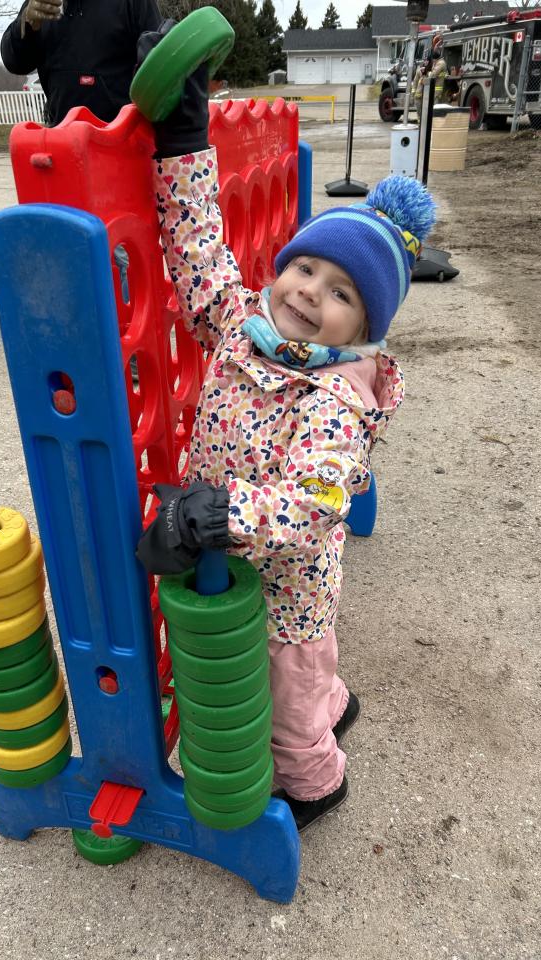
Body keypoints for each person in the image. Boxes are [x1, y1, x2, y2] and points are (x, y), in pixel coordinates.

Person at [134, 48, 436, 833]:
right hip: (233, 560)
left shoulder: (337, 396)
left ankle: (314, 784)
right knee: (300, 683)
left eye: (340, 294)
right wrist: (183, 143)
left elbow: (313, 500)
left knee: (286, 698)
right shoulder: (245, 324)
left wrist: (215, 516)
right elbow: (199, 255)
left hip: (287, 594)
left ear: (363, 329)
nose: (310, 292)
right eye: (303, 268)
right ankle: (336, 704)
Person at [0, 0, 162, 127]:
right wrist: (26, 25)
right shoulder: (41, 4)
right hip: (62, 137)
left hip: (122, 138)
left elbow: (158, 61)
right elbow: (14, 62)